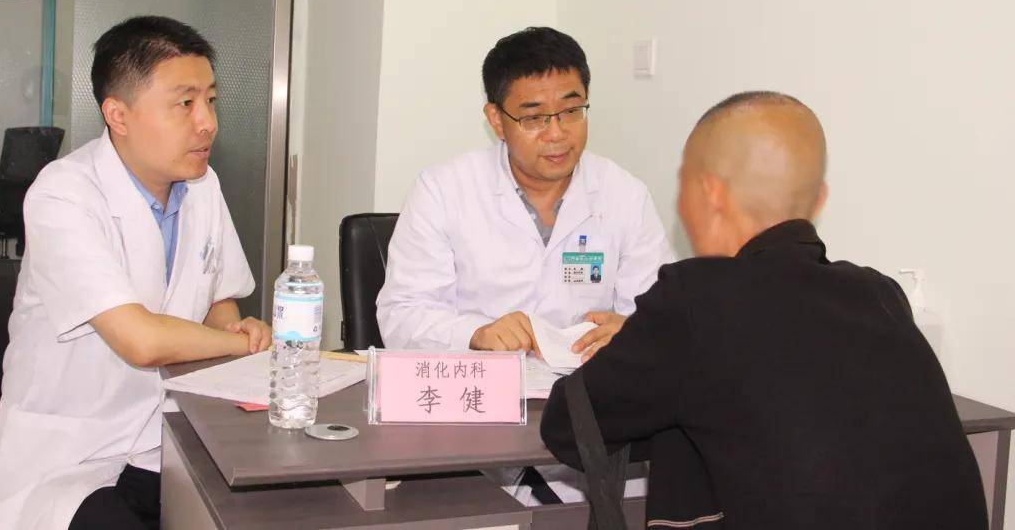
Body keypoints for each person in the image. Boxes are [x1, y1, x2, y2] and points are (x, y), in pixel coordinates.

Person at [541, 91, 987, 529]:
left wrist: (645, 357)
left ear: (710, 194)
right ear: (818, 200)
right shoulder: (880, 293)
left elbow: (569, 427)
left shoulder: (696, 297)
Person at [0, 16, 271, 530]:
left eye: (211, 100)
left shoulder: (202, 185)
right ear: (118, 115)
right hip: (71, 455)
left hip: (161, 439)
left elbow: (218, 298)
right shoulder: (63, 194)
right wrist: (247, 346)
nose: (207, 122)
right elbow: (141, 342)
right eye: (185, 103)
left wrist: (236, 328)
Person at [377, 26, 675, 503]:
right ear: (496, 119)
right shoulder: (444, 190)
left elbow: (663, 314)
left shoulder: (624, 194)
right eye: (534, 117)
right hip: (476, 421)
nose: (557, 134)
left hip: (589, 416)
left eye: (572, 111)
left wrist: (631, 329)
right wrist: (476, 333)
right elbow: (401, 315)